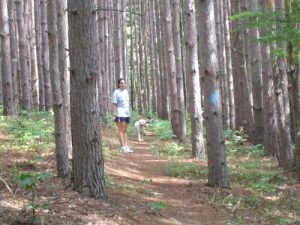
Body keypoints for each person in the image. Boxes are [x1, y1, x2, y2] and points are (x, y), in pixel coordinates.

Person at [112, 78, 133, 153]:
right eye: (121, 83)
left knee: (125, 130)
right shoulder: (116, 92)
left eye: (124, 83)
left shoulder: (126, 91)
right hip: (120, 113)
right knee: (121, 130)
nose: (123, 84)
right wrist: (114, 114)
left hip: (127, 113)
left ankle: (126, 146)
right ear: (118, 84)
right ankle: (122, 147)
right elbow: (114, 103)